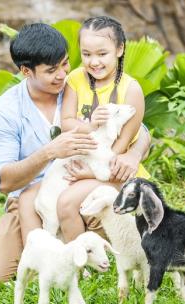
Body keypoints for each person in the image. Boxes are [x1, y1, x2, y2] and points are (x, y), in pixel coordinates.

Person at [0, 23, 150, 283]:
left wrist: (134, 154)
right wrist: (49, 152)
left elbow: (137, 127)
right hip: (35, 202)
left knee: (115, 224)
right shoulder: (5, 111)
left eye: (65, 63)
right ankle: (43, 251)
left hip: (88, 191)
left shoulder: (80, 84)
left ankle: (83, 255)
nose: (62, 74)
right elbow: (4, 181)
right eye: (51, 70)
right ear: (26, 71)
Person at [59, 15, 150, 242]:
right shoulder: (75, 79)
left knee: (67, 202)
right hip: (83, 163)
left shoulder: (131, 90)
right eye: (86, 54)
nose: (94, 62)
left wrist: (90, 173)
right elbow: (66, 123)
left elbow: (119, 148)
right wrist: (90, 125)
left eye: (102, 54)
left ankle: (79, 258)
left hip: (116, 171)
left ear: (119, 49)